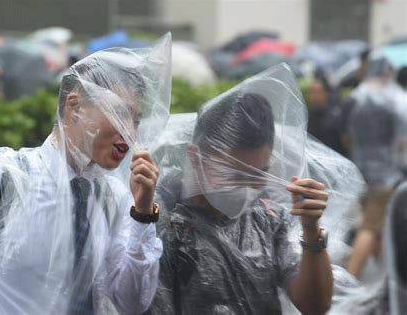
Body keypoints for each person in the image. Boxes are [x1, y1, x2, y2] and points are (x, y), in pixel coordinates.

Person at [0, 34, 172, 314]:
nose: (130, 134)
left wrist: (143, 214)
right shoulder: (0, 182)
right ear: (74, 107)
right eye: (120, 114)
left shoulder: (115, 199)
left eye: (136, 121)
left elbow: (131, 303)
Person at [148, 64, 333, 314]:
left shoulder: (265, 218)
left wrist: (312, 232)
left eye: (258, 175)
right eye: (234, 175)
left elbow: (315, 306)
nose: (247, 189)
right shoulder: (162, 221)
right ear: (195, 158)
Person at [346, 54, 404, 279]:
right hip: (387, 175)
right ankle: (350, 279)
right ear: (387, 72)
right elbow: (403, 141)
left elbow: (346, 135)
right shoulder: (395, 100)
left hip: (361, 171)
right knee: (370, 227)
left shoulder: (356, 96)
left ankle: (386, 281)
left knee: (380, 227)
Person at [306, 75, 345, 156]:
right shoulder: (307, 116)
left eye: (317, 92)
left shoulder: (336, 117)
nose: (313, 96)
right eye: (311, 92)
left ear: (326, 93)